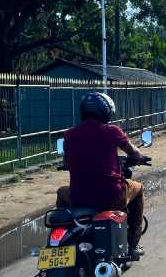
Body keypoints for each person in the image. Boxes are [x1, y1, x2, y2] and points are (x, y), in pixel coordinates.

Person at [57, 92, 147, 260]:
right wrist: (140, 158)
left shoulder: (69, 134)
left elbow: (66, 162)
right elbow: (132, 152)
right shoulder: (112, 131)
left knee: (62, 192)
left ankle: (65, 233)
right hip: (112, 197)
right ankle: (133, 244)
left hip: (79, 197)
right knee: (139, 188)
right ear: (105, 112)